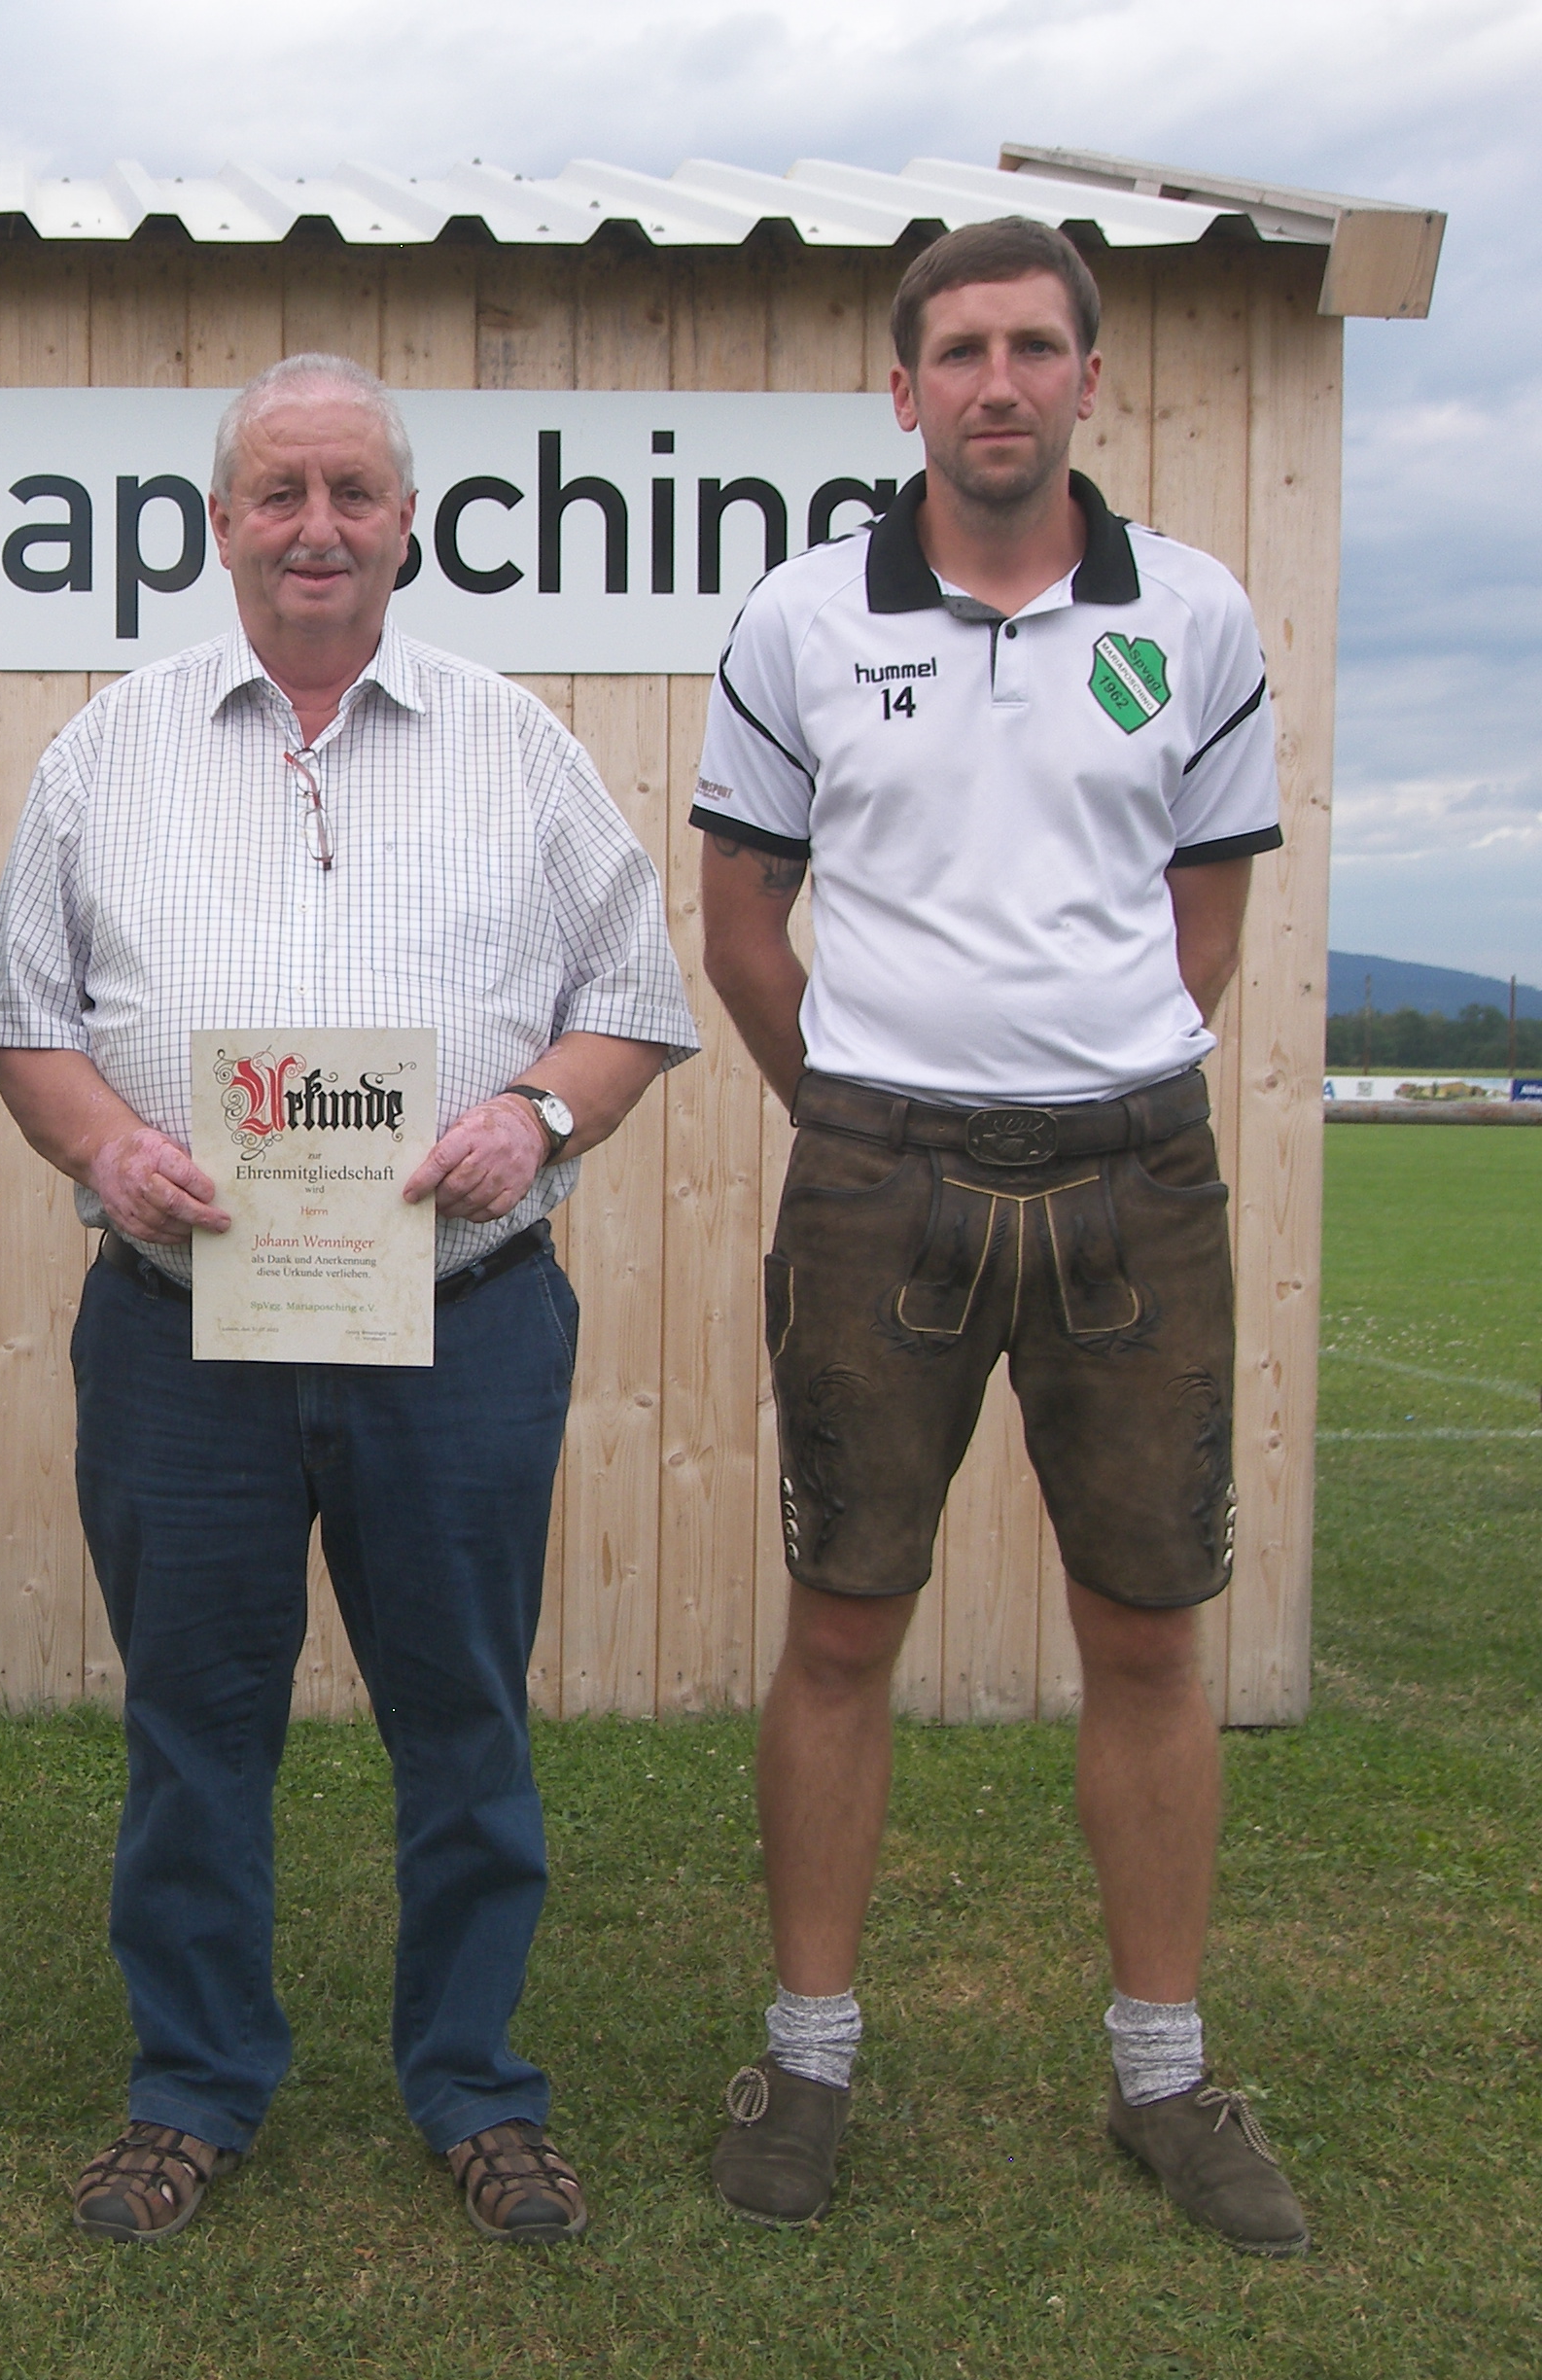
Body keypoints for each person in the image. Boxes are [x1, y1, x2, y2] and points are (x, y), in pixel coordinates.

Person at [0, 353, 696, 2247]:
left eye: (352, 491)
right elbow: (25, 1022)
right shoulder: (105, 750)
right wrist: (103, 1148)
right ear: (218, 528)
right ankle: (194, 2086)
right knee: (195, 1727)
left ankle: (476, 2085)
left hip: (458, 1323)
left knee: (464, 1721)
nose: (316, 526)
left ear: (406, 524)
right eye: (279, 492)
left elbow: (632, 1002)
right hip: (178, 1332)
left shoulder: (511, 740)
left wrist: (534, 1119)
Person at [691, 217, 1302, 2254]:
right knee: (847, 1617)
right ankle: (807, 2048)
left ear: (1091, 382)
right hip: (878, 1175)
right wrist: (860, 1116)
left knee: (1145, 1624)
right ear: (904, 391)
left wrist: (1086, 1068)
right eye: (960, 350)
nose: (999, 383)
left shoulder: (1196, 616)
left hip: (1140, 1170)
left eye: (1037, 347)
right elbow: (742, 928)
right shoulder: (796, 619)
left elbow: (1199, 933)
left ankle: (1163, 2074)